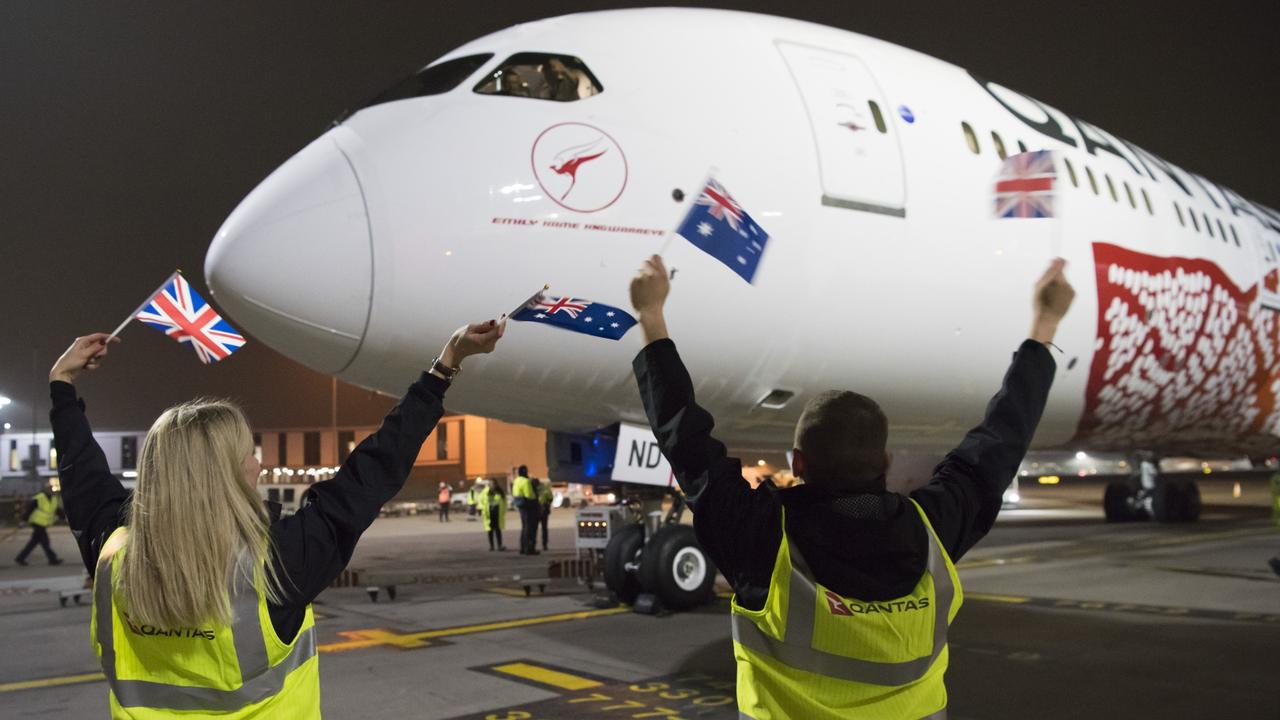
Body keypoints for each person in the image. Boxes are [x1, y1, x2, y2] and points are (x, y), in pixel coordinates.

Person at [628, 254, 1074, 719]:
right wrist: (1044, 325)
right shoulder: (931, 533)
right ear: (884, 461)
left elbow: (686, 439)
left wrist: (652, 316)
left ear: (797, 462)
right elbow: (1002, 439)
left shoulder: (763, 538)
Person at [49, 318, 503, 718]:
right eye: (249, 453)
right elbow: (374, 468)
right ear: (225, 472)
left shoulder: (112, 553)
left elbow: (82, 473)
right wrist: (445, 365)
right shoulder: (278, 560)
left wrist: (62, 385)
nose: (259, 465)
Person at [14, 482, 64, 566]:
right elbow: (29, 510)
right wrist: (23, 520)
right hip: (37, 522)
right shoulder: (39, 498)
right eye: (49, 488)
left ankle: (20, 558)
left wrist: (63, 517)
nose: (50, 490)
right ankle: (53, 559)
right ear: (44, 489)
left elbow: (57, 510)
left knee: (33, 542)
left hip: (43, 523)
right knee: (45, 542)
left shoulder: (53, 499)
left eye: (51, 488)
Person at [511, 465, 539, 555]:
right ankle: (528, 548)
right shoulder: (526, 481)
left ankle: (523, 547)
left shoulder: (516, 481)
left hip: (520, 505)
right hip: (528, 506)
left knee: (524, 527)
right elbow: (529, 495)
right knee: (528, 527)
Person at [479, 480, 507, 551]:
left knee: (498, 529)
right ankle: (491, 546)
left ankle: (499, 546)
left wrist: (504, 511)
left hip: (498, 512)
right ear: (489, 484)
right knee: (490, 530)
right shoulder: (485, 492)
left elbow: (504, 502)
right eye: (492, 484)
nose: (493, 485)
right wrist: (481, 509)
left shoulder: (500, 492)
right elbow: (480, 501)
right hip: (489, 513)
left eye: (494, 484)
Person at [535, 476, 554, 551]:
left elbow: (550, 498)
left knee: (536, 529)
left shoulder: (534, 488)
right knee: (544, 528)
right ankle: (544, 545)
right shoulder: (545, 488)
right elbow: (550, 498)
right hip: (543, 510)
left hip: (538, 510)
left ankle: (536, 544)